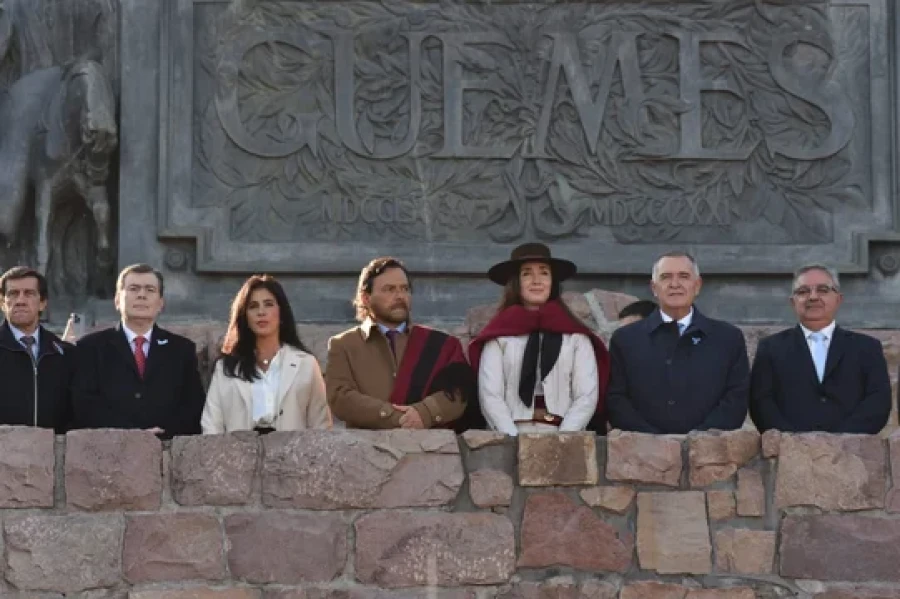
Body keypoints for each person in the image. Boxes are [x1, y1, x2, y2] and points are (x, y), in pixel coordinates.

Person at [468, 243, 609, 436]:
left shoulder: (575, 337)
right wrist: (512, 438)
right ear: (516, 282)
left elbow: (586, 395)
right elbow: (490, 395)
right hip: (511, 433)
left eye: (544, 273)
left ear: (552, 282)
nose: (536, 280)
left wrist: (563, 438)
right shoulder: (499, 337)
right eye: (527, 273)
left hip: (563, 433)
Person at [325, 257, 475, 430]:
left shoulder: (443, 345)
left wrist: (424, 413)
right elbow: (340, 398)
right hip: (367, 450)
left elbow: (459, 392)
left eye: (404, 289)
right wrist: (397, 417)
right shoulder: (343, 345)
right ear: (366, 298)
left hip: (430, 450)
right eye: (389, 289)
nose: (399, 296)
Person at [607, 251, 749, 433]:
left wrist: (700, 439)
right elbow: (616, 398)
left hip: (708, 452)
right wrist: (653, 441)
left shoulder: (728, 338)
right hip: (643, 452)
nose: (675, 284)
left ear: (697, 285)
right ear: (654, 288)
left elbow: (735, 398)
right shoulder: (625, 339)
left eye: (684, 276)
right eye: (666, 277)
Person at [750, 264, 891, 433]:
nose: (813, 297)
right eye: (803, 292)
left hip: (852, 451)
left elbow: (878, 400)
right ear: (792, 302)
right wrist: (791, 441)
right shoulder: (771, 348)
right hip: (789, 451)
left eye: (823, 290)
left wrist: (842, 439)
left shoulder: (867, 347)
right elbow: (761, 402)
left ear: (838, 299)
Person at [72, 264, 205, 438]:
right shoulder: (90, 347)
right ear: (117, 300)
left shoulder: (182, 349)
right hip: (108, 449)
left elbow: (193, 404)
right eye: (133, 289)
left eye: (150, 290)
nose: (142, 295)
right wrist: (131, 434)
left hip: (166, 447)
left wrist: (164, 432)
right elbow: (84, 404)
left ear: (161, 303)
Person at [201, 275, 331, 433]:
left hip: (292, 454)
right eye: (253, 306)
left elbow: (320, 426)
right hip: (238, 453)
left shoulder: (306, 364)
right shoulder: (226, 368)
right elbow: (211, 426)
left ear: (281, 312)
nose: (261, 312)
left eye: (268, 304)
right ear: (245, 316)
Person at [0, 266, 75, 431]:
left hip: (51, 453)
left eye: (29, 293)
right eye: (13, 294)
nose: (20, 300)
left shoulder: (65, 354)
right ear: (2, 303)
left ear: (42, 303)